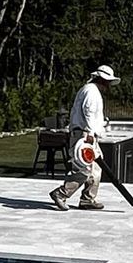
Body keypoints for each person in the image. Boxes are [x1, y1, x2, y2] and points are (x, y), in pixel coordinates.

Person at [51, 65, 117, 211]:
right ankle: (61, 194)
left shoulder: (89, 90)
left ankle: (88, 199)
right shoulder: (91, 92)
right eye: (108, 82)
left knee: (96, 168)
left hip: (85, 134)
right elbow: (89, 112)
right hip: (84, 135)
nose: (109, 86)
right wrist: (91, 133)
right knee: (83, 169)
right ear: (103, 80)